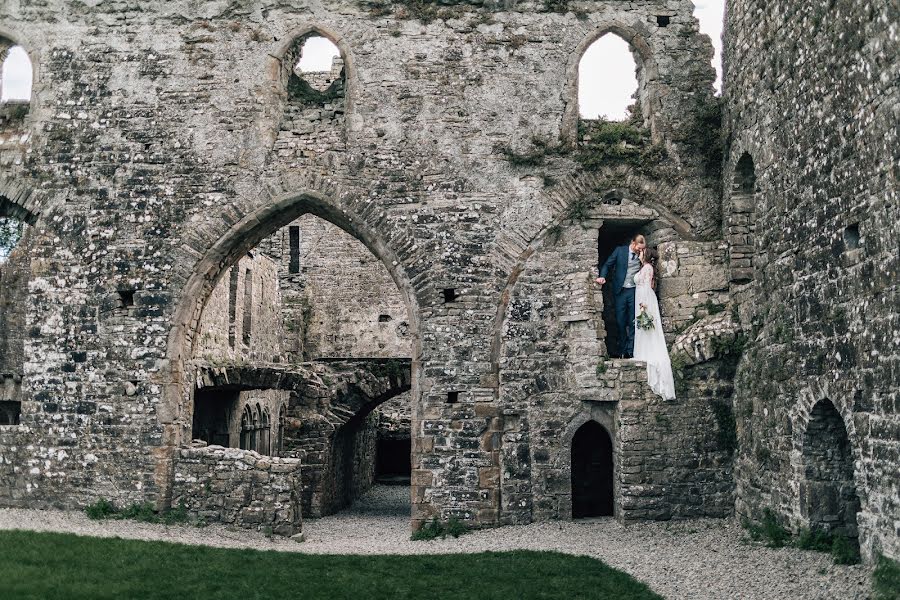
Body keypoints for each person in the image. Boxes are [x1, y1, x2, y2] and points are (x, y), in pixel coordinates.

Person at [633, 247, 676, 400]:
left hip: (644, 299)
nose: (639, 254)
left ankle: (648, 352)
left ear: (647, 255)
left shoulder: (647, 267)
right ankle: (643, 350)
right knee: (644, 327)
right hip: (642, 298)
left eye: (642, 252)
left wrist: (644, 306)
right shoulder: (645, 267)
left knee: (647, 325)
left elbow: (645, 287)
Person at [596, 234, 646, 358]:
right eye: (639, 248)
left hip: (634, 290)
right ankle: (622, 350)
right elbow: (608, 264)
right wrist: (602, 276)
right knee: (620, 321)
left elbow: (648, 269)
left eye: (642, 248)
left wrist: (642, 260)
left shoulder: (642, 255)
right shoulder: (620, 251)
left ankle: (630, 350)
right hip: (620, 291)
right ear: (633, 243)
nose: (640, 250)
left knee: (633, 320)